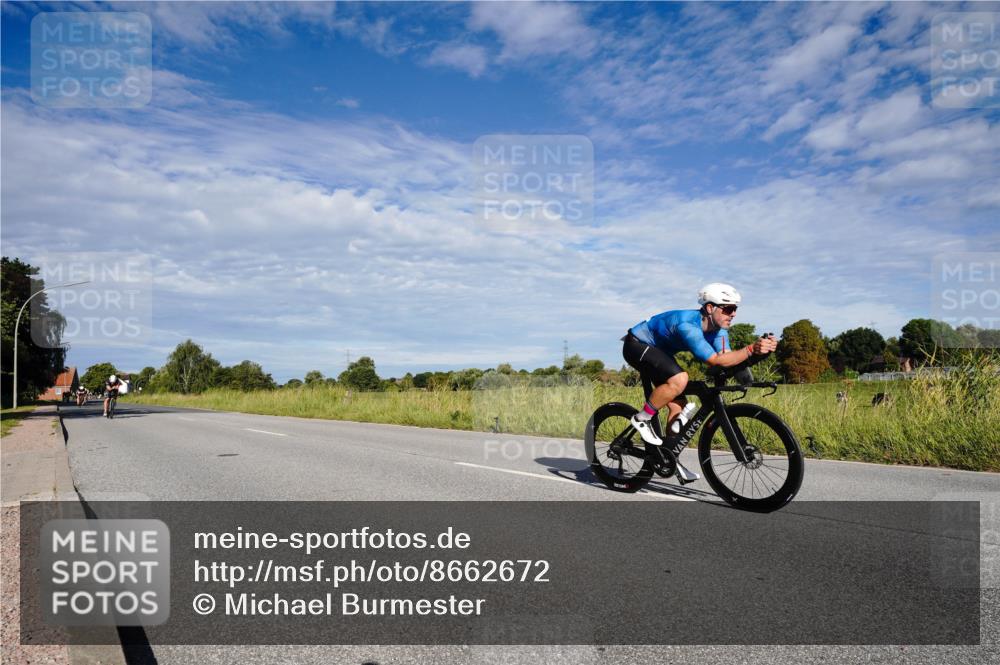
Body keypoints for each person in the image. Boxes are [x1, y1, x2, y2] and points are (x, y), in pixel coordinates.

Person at [623, 283, 777, 449]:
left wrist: (759, 352)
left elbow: (727, 358)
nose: (733, 314)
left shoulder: (719, 330)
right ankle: (641, 419)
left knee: (679, 408)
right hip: (637, 345)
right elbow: (715, 361)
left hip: (660, 353)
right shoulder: (687, 325)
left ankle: (668, 455)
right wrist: (750, 349)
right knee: (680, 379)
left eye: (735, 309)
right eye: (728, 308)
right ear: (710, 308)